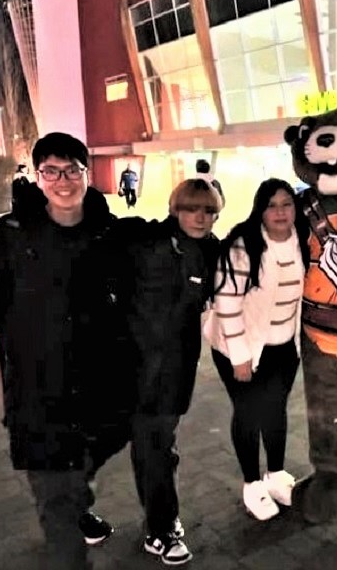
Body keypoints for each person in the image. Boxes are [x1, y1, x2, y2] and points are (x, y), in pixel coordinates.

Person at [0, 132, 122, 569]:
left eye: (72, 170)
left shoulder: (108, 232)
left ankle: (79, 505)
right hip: (37, 392)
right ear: (38, 177)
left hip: (97, 388)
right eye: (51, 172)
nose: (63, 181)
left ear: (86, 173)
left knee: (81, 471)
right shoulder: (12, 234)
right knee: (55, 498)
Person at [113, 179, 221, 565]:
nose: (200, 217)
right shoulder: (146, 240)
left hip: (176, 368)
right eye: (191, 209)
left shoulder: (211, 250)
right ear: (176, 209)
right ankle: (161, 527)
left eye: (208, 210)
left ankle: (158, 522)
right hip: (135, 366)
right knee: (152, 444)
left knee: (157, 444)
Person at [204, 179, 310, 520]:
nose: (280, 212)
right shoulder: (243, 245)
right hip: (240, 347)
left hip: (283, 345)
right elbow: (227, 304)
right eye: (271, 205)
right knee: (248, 412)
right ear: (260, 210)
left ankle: (276, 474)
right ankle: (252, 483)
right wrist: (240, 356)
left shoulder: (303, 240)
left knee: (275, 410)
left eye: (286, 204)